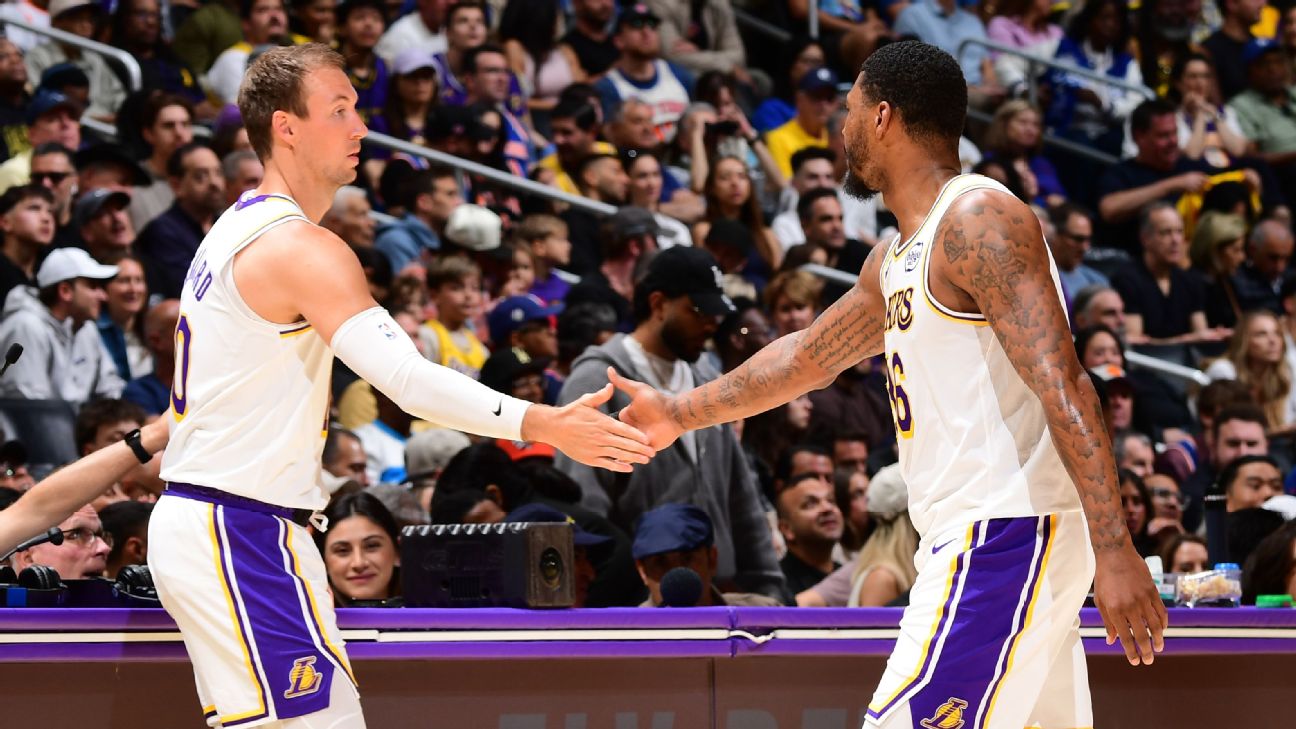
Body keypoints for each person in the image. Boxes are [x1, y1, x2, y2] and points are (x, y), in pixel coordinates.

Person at [614, 41, 1165, 727]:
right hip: (982, 533)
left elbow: (1068, 387)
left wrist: (1115, 548)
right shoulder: (897, 256)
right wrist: (677, 411)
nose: (840, 130)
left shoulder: (978, 221)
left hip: (1005, 531)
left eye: (849, 111)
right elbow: (804, 358)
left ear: (882, 117)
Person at [143, 44, 652, 728]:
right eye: (339, 111)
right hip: (238, 524)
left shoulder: (233, 227)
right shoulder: (298, 247)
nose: (360, 128)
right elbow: (406, 380)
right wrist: (542, 421)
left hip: (233, 520)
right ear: (286, 127)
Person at [558, 245, 785, 600]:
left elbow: (741, 496)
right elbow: (585, 504)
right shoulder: (597, 380)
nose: (711, 324)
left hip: (715, 592)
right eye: (699, 311)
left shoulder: (707, 378)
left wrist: (769, 583)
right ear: (659, 304)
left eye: (716, 313)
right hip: (635, 597)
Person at [0, 247, 124, 406]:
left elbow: (110, 387)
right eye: (93, 286)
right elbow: (28, 406)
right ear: (65, 291)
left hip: (80, 421)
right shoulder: (26, 327)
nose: (104, 296)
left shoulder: (86, 328)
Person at [631, 502, 782, 607]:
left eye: (687, 558)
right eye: (660, 562)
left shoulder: (764, 615)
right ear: (642, 571)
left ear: (712, 559)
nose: (676, 574)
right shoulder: (627, 635)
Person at [136, 142, 227, 299]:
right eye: (201, 176)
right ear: (176, 185)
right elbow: (193, 291)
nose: (214, 182)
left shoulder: (227, 225)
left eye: (218, 173)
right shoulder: (163, 231)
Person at [313, 491, 401, 605]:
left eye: (371, 546)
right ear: (322, 560)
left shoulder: (424, 613)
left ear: (398, 552)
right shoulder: (301, 615)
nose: (359, 563)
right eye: (342, 550)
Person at [775, 472, 844, 597]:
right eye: (810, 504)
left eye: (831, 501)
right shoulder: (777, 587)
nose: (827, 508)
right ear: (786, 529)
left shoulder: (849, 576)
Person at [0, 184, 55, 306]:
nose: (46, 218)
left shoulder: (52, 270)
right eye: (34, 208)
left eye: (50, 211)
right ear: (5, 222)